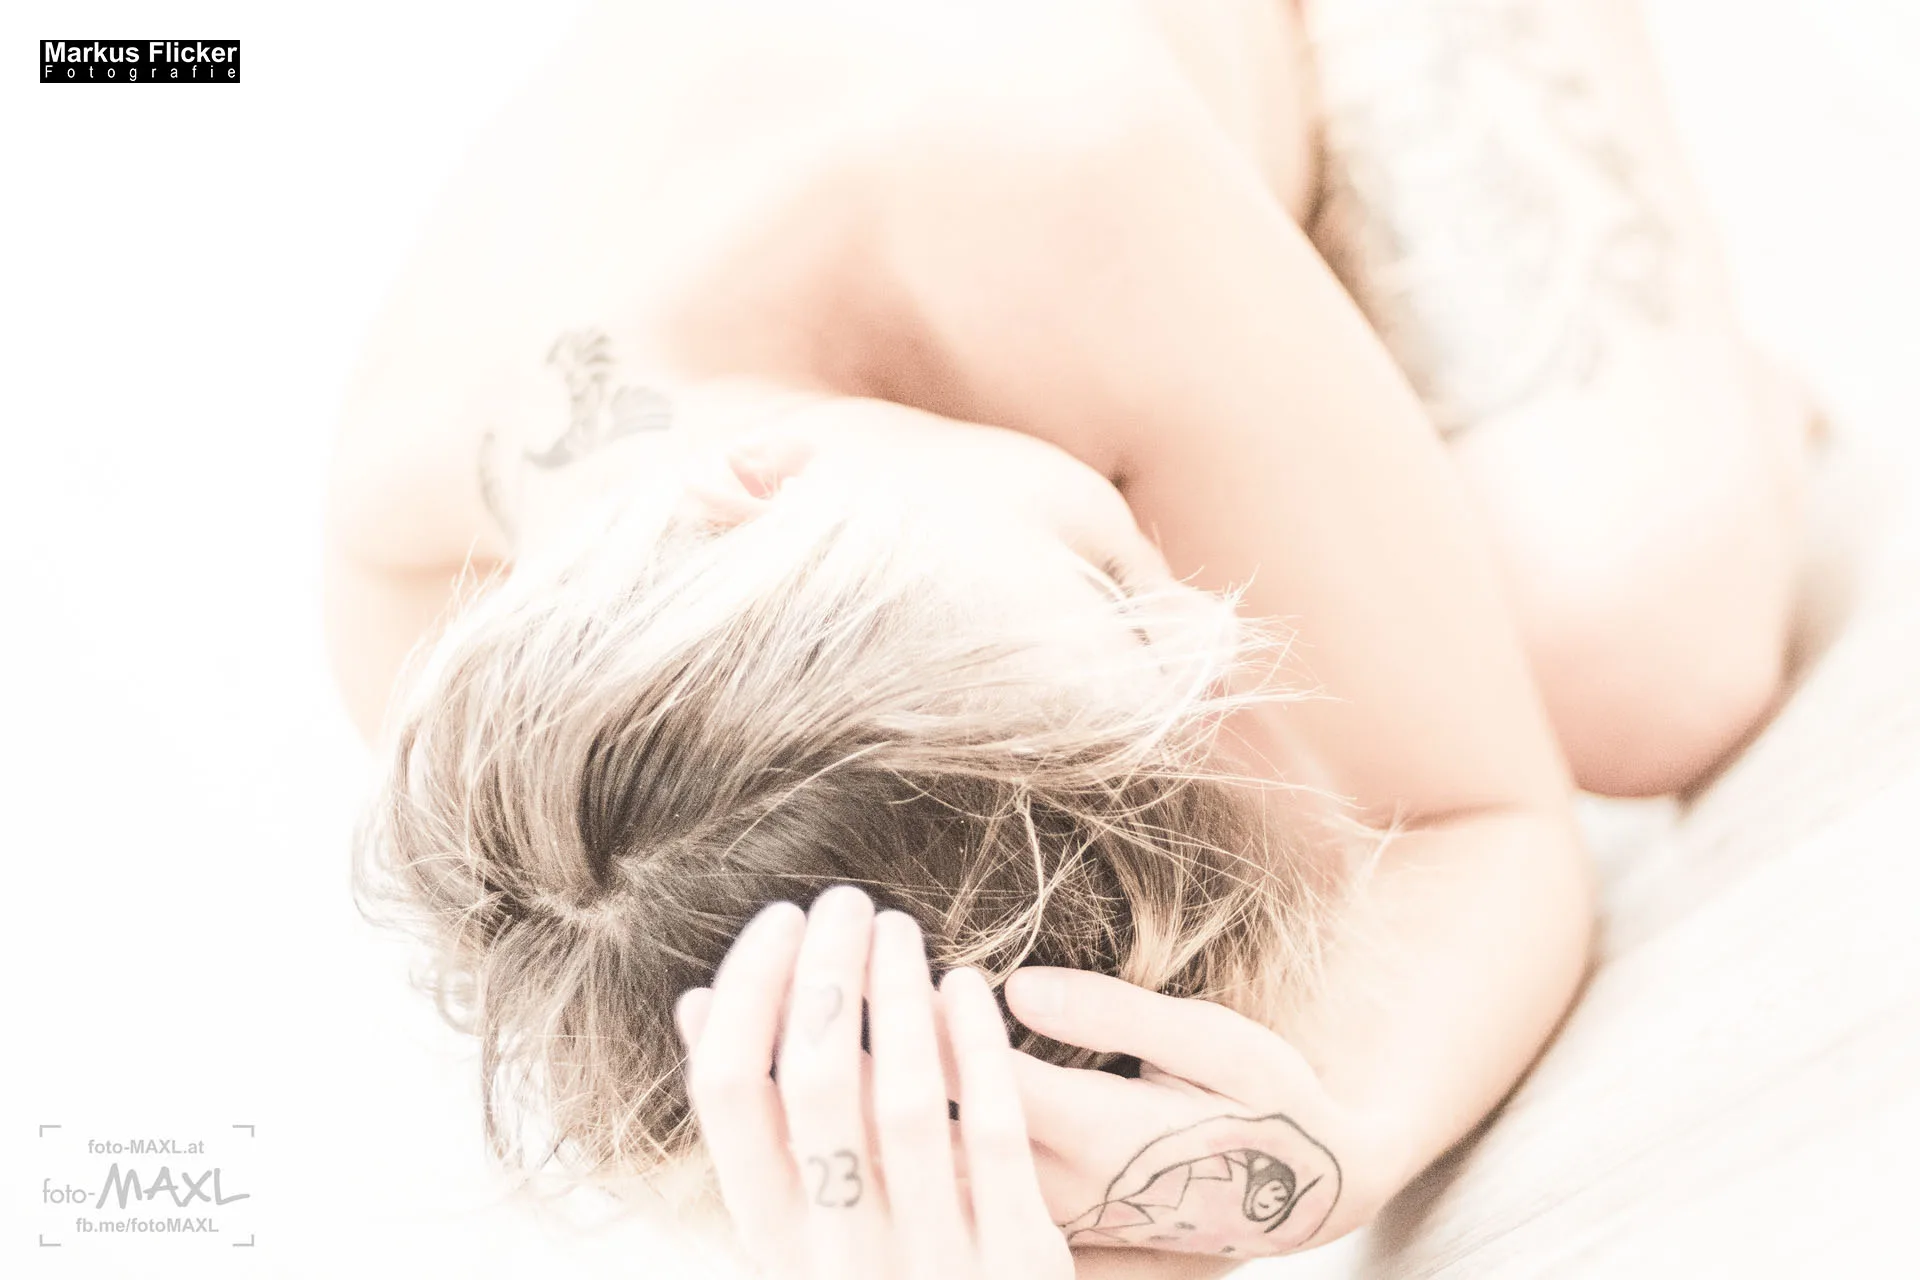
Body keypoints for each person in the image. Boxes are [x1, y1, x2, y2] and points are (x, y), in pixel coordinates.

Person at [324, 0, 1808, 1275]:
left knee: (1640, 653)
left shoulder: (1030, 164)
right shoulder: (467, 666)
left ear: (764, 477)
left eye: (1108, 579)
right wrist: (1049, 1207)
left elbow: (1483, 820)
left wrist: (1332, 1140)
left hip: (1107, 144)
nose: (1209, 630)